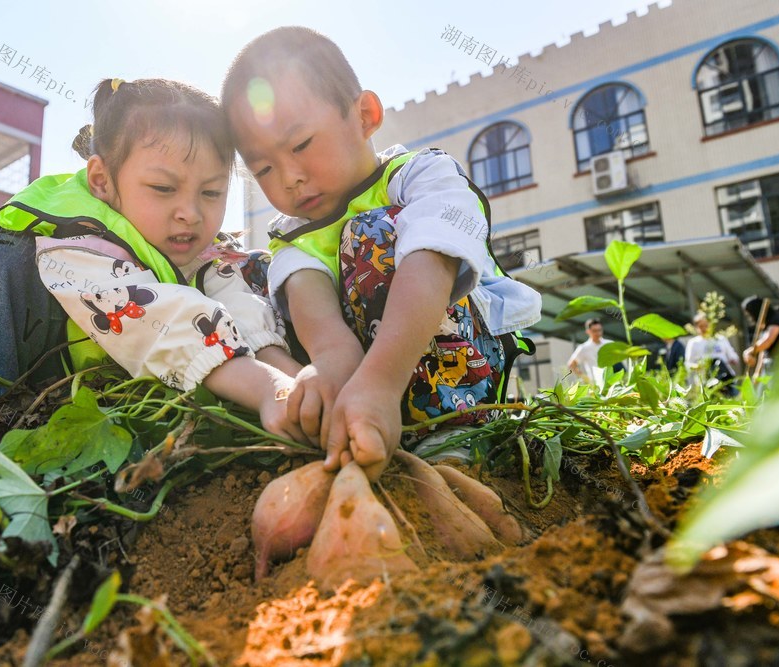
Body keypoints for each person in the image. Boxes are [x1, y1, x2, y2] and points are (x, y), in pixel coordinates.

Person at [221, 27, 542, 480]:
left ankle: (456, 431)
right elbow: (311, 301)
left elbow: (432, 257)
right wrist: (333, 368)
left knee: (370, 233)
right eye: (265, 168)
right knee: (251, 271)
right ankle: (338, 417)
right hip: (366, 385)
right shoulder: (293, 235)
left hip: (458, 367)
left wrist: (380, 381)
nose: (289, 177)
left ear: (365, 115)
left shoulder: (421, 175)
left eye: (301, 145)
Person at [0, 77, 306, 442]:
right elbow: (156, 319)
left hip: (116, 391)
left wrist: (294, 378)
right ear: (101, 180)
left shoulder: (200, 248)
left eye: (211, 192)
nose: (191, 213)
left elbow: (239, 306)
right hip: (37, 382)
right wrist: (267, 391)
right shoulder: (77, 241)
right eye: (163, 189)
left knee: (257, 266)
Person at [684, 312, 739, 386]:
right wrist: (697, 366)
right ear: (696, 327)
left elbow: (733, 356)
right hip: (705, 381)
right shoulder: (694, 343)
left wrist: (733, 360)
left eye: (706, 325)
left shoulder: (720, 339)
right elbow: (688, 363)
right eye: (701, 326)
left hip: (726, 378)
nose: (704, 328)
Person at [741, 295, 779, 372]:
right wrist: (757, 372)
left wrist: (749, 351)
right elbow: (763, 351)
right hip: (770, 363)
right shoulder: (766, 324)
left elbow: (768, 341)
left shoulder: (775, 320)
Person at [566, 318, 614, 385]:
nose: (598, 333)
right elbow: (571, 365)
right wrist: (586, 378)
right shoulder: (584, 348)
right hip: (595, 384)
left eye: (599, 330)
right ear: (588, 331)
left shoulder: (610, 344)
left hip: (612, 381)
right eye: (594, 331)